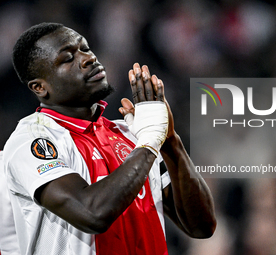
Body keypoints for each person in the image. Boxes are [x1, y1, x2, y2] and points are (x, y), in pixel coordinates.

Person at [3, 22, 216, 254]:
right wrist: (149, 142)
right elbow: (91, 214)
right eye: (67, 58)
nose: (88, 58)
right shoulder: (32, 140)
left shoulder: (130, 134)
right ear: (40, 87)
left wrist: (170, 142)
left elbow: (201, 226)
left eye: (85, 48)